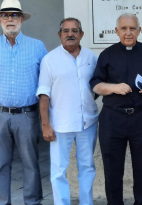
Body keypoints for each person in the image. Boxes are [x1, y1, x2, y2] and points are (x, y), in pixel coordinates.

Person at [90, 13, 142, 205]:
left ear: (139, 30)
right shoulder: (106, 54)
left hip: (141, 117)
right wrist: (113, 87)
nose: (128, 32)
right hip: (112, 119)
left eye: (132, 28)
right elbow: (95, 84)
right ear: (117, 31)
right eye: (124, 28)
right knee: (112, 168)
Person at [0, 0, 46, 205]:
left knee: (31, 163)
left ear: (22, 20)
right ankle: (1, 202)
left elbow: (45, 80)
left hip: (28, 115)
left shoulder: (37, 46)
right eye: (5, 15)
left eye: (14, 15)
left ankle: (33, 202)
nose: (10, 19)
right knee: (0, 164)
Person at [37, 18, 98, 205]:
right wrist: (45, 125)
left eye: (74, 30)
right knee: (58, 170)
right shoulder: (49, 60)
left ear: (81, 34)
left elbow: (96, 87)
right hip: (60, 124)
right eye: (65, 31)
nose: (70, 34)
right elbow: (43, 94)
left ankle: (86, 202)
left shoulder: (92, 58)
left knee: (87, 167)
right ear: (60, 34)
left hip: (88, 122)